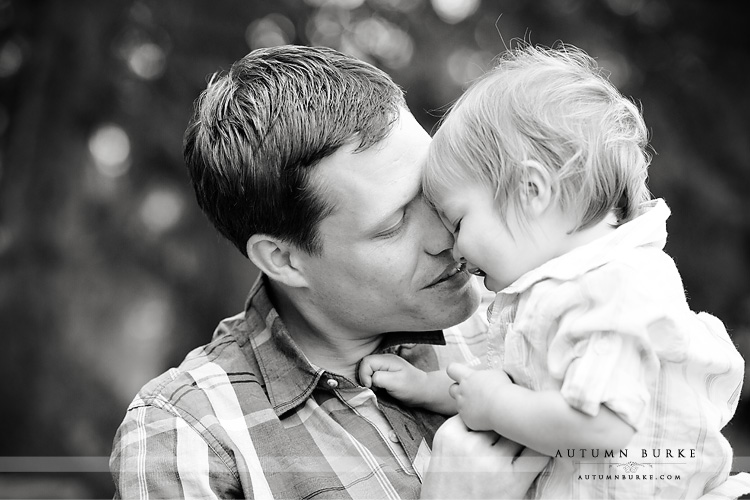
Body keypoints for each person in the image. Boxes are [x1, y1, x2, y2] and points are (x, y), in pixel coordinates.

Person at [108, 44, 548, 499]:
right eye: (394, 224)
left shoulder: (532, 314)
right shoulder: (188, 435)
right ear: (283, 259)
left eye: (438, 190)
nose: (451, 236)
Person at [359, 44, 750, 499]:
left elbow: (602, 425)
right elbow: (512, 383)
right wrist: (427, 387)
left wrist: (497, 407)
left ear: (531, 190)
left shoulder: (615, 285)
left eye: (459, 222)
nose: (454, 249)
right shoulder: (553, 292)